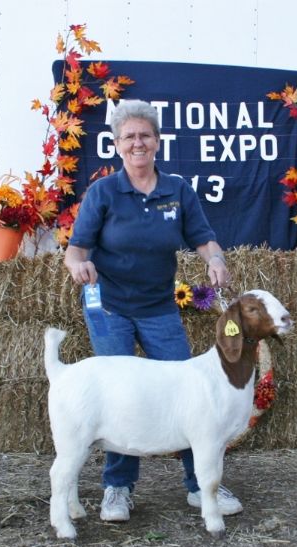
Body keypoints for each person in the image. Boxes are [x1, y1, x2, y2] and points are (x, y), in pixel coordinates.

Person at [64, 99, 243, 522]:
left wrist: (215, 259)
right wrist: (78, 266)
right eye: (129, 137)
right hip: (110, 307)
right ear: (116, 144)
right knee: (120, 395)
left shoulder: (177, 189)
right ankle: (117, 488)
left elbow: (203, 236)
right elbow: (75, 251)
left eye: (145, 135)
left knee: (186, 394)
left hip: (160, 306)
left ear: (158, 142)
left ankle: (200, 485)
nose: (138, 143)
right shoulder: (104, 191)